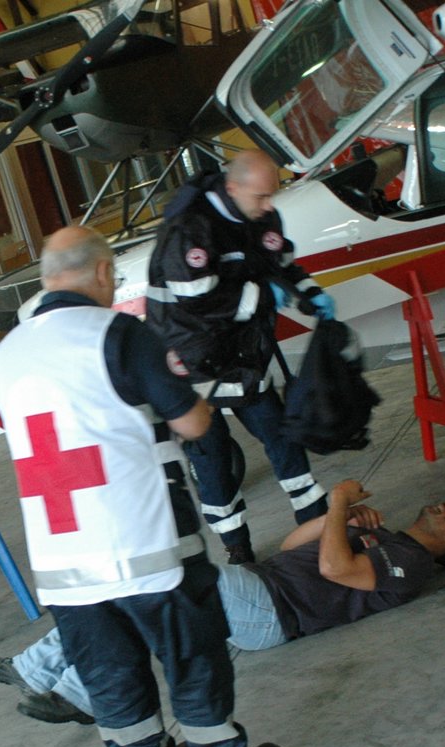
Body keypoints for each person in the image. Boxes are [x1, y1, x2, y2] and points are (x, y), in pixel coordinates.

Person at [0, 225, 287, 747]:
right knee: (193, 656)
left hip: (62, 558)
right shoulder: (119, 334)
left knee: (108, 672)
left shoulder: (8, 353)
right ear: (103, 273)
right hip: (146, 545)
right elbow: (194, 424)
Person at [0, 481, 445, 720]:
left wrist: (334, 505)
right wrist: (345, 520)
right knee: (129, 591)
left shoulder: (413, 565)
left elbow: (334, 569)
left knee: (158, 576)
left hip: (274, 612)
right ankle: (40, 671)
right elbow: (293, 547)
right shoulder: (390, 539)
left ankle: (78, 692)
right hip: (260, 590)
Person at [147, 150, 337, 566]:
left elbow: (281, 261)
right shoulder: (190, 228)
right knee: (211, 457)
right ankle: (237, 550)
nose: (269, 206)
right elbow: (196, 299)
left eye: (273, 197)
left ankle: (318, 527)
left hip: (241, 349)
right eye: (261, 197)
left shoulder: (259, 215)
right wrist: (260, 296)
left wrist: (309, 293)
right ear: (232, 189)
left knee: (281, 436)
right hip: (189, 356)